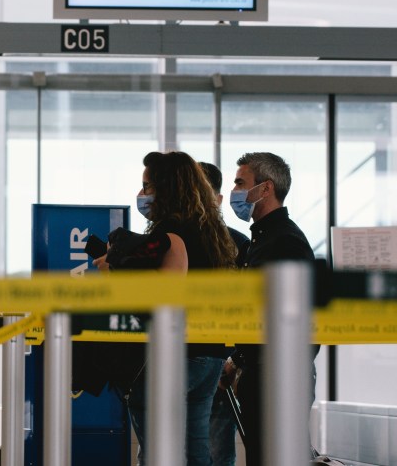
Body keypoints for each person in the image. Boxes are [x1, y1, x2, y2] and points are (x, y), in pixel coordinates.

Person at [99, 150, 238, 466]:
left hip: (177, 353)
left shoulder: (170, 233)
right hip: (210, 352)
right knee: (196, 449)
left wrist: (114, 276)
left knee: (159, 451)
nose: (143, 194)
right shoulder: (212, 233)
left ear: (167, 188)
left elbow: (163, 298)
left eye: (148, 186)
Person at [219, 152, 317, 466]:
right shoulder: (262, 241)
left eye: (240, 182)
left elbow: (288, 319)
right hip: (263, 372)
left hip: (279, 375)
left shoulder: (284, 242)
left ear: (265, 189)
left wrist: (240, 358)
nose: (234, 190)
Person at [199, 161, 250, 466]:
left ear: (217, 199)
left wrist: (233, 360)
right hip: (175, 362)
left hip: (219, 364)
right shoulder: (163, 244)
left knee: (217, 451)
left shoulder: (238, 245)